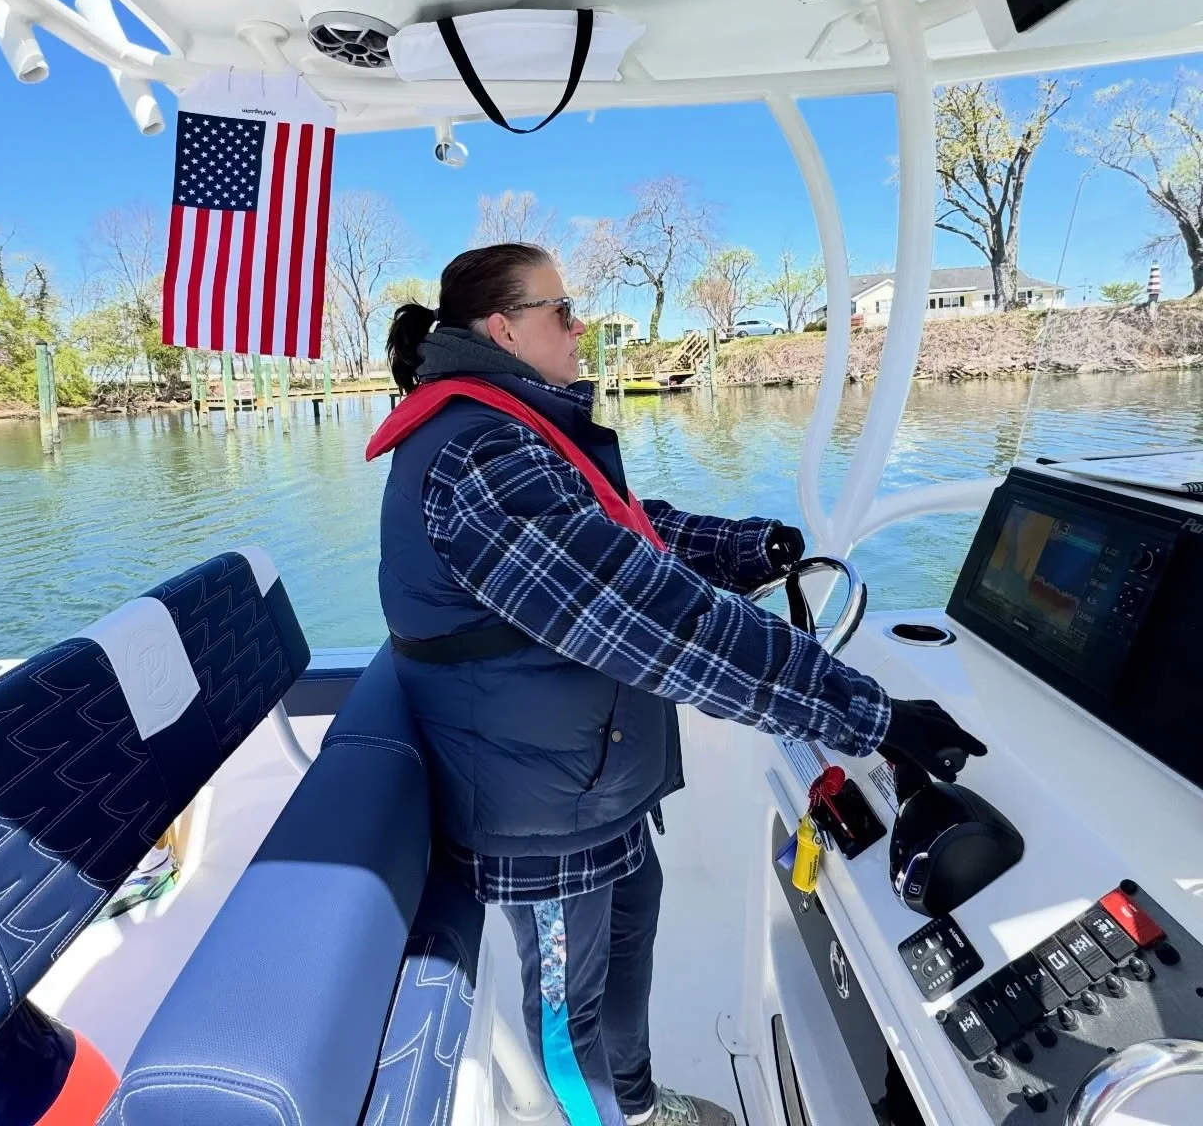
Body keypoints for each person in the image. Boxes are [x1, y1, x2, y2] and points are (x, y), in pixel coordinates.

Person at [367, 243, 985, 1126]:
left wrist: (740, 549)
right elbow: (653, 620)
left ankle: (641, 1106)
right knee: (567, 1011)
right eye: (563, 311)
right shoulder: (478, 458)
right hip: (535, 809)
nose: (581, 328)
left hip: (588, 776)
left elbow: (620, 532)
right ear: (503, 329)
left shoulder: (509, 431)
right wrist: (866, 712)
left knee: (629, 953)